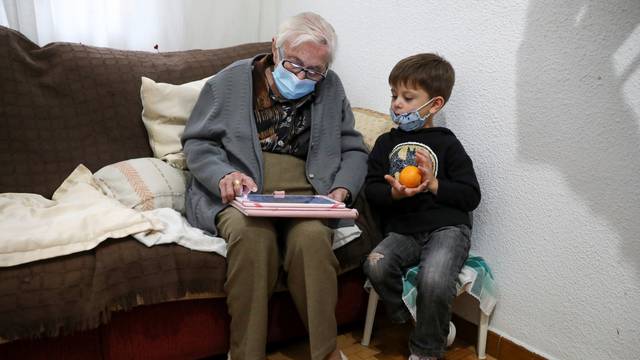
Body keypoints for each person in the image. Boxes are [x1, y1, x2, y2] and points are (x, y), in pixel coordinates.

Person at [181, 12, 367, 360]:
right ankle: (245, 353)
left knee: (312, 240)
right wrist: (224, 176)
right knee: (253, 238)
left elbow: (353, 148)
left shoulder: (332, 87)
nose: (301, 76)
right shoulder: (229, 82)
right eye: (295, 64)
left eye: (314, 71)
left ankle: (325, 353)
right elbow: (197, 143)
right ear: (274, 49)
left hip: (306, 195)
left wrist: (342, 188)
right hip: (242, 195)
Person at [362, 53, 481, 360]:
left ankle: (427, 350)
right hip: (404, 230)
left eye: (408, 97)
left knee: (434, 278)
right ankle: (413, 319)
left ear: (435, 104)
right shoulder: (386, 144)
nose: (397, 104)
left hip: (447, 229)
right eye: (394, 95)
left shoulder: (447, 143)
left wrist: (433, 184)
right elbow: (372, 189)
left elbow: (471, 195)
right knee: (376, 263)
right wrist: (396, 195)